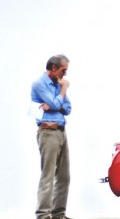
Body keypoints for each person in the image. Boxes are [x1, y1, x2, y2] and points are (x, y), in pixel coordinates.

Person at [30, 54, 73, 219]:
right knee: (47, 175)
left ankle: (58, 214)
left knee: (64, 176)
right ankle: (43, 214)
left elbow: (67, 108)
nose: (65, 74)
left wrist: (55, 103)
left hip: (61, 132)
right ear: (54, 67)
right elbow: (56, 104)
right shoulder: (39, 84)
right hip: (48, 133)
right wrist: (63, 90)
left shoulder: (57, 85)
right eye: (63, 70)